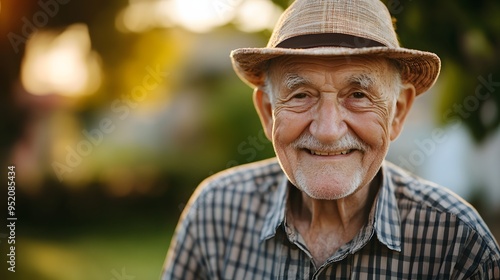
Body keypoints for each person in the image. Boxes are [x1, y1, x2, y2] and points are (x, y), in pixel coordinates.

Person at [161, 0, 500, 278]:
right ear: (267, 112)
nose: (327, 130)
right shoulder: (214, 212)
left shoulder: (457, 242)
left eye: (358, 95)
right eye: (300, 95)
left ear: (397, 112)